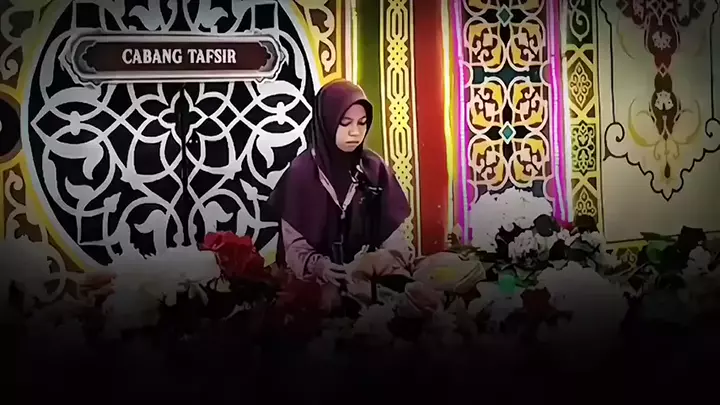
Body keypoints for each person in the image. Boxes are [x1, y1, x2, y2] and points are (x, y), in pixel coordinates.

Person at [268, 79, 414, 290]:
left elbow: (395, 239)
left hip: (369, 285)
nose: (355, 132)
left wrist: (377, 262)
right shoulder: (301, 174)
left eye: (362, 123)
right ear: (327, 122)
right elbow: (294, 248)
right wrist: (320, 268)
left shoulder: (374, 168)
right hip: (309, 290)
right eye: (345, 123)